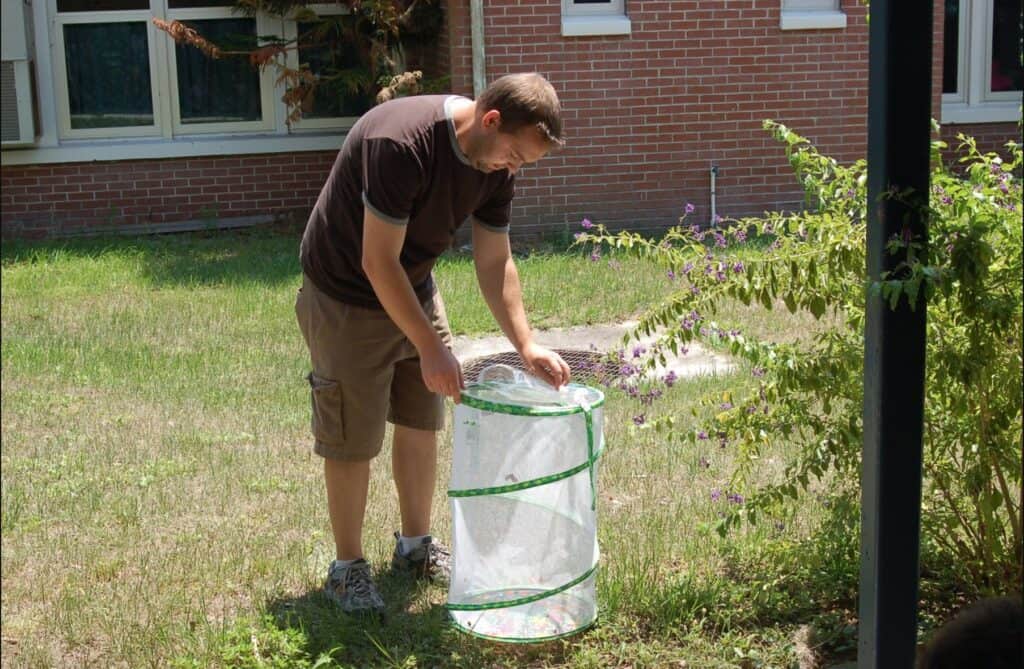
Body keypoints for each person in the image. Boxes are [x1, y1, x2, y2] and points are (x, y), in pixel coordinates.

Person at [295, 72, 572, 615]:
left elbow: (495, 261)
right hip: (345, 293)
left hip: (412, 284)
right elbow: (377, 262)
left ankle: (415, 548)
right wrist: (430, 346)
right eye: (514, 154)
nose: (514, 169)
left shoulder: (495, 165)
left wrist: (526, 343)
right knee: (353, 437)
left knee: (423, 418)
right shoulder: (402, 144)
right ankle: (347, 568)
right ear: (490, 120)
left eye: (524, 163)